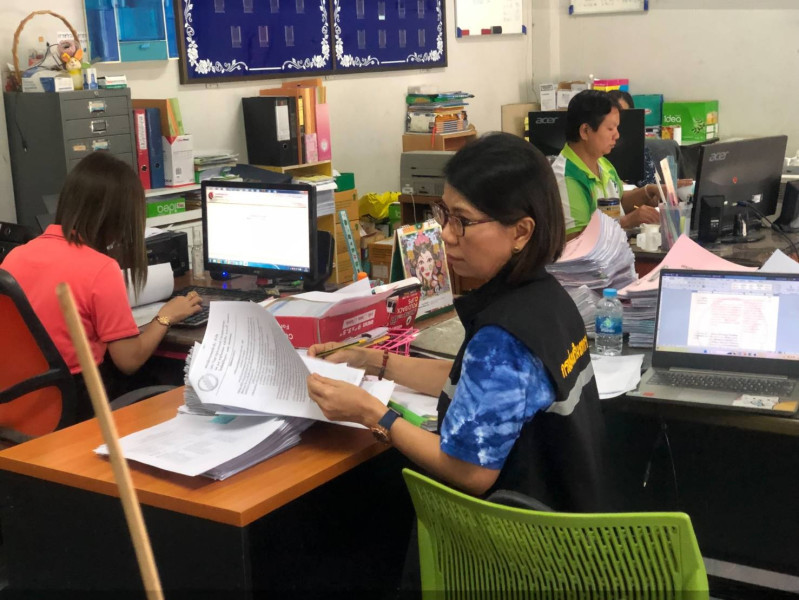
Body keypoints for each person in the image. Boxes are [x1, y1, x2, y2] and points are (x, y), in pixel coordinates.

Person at [306, 132, 609, 512]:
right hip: (571, 508)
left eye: (462, 221)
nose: (446, 234)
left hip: (518, 537)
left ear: (521, 231)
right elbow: (476, 383)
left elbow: (469, 472)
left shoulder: (504, 337)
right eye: (445, 214)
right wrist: (368, 360)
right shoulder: (547, 296)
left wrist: (371, 413)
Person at [2, 152, 203, 419]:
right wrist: (166, 316)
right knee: (171, 378)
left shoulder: (16, 256)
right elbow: (129, 360)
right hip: (74, 405)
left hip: (18, 406)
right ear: (119, 218)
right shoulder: (100, 268)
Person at [552, 89, 661, 237]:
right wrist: (628, 221)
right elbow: (576, 239)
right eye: (610, 128)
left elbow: (618, 202)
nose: (617, 135)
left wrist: (647, 192)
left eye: (617, 128)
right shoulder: (567, 177)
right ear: (585, 131)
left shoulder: (603, 163)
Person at [409, 232, 447, 297]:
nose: (426, 267)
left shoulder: (438, 280)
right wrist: (419, 278)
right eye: (421, 262)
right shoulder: (415, 285)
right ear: (417, 265)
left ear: (434, 261)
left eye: (429, 260)